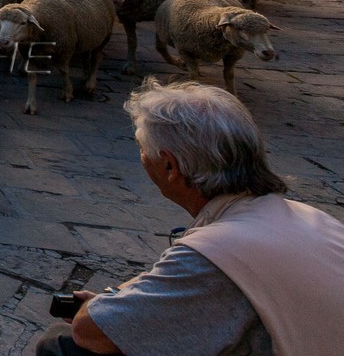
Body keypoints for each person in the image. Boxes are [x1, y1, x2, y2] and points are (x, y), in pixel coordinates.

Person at [37, 80, 344, 355]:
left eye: (142, 149)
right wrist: (125, 302)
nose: (142, 157)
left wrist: (104, 303)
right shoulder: (309, 217)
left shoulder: (218, 253)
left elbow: (91, 330)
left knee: (61, 345)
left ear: (170, 166)